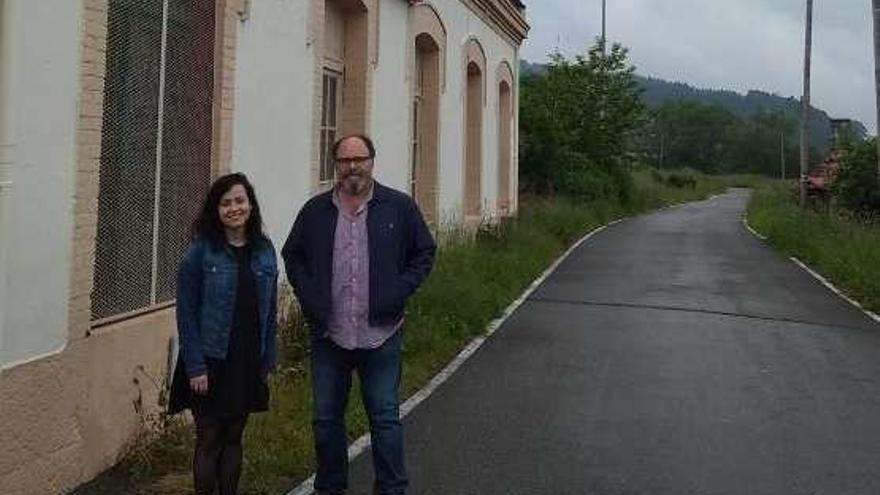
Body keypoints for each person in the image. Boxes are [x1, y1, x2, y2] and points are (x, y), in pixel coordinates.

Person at [282, 135, 436, 495]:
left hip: (380, 334)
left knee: (384, 420)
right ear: (335, 164)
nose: (353, 166)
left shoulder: (399, 207)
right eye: (345, 159)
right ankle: (331, 487)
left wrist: (399, 290)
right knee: (324, 421)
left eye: (359, 158)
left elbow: (424, 253)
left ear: (372, 161)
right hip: (329, 336)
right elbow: (294, 256)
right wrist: (310, 299)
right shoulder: (315, 211)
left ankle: (391, 488)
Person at [168, 172, 278, 495]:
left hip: (246, 361)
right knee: (209, 440)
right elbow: (186, 313)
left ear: (250, 205)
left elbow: (269, 312)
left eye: (240, 201)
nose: (234, 208)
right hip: (210, 362)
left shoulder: (264, 249)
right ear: (216, 210)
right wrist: (196, 366)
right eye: (226, 202)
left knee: (234, 438)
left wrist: (267, 359)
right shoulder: (199, 253)